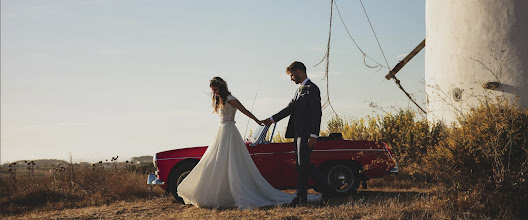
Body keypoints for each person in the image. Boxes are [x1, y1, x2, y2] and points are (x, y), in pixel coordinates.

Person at [177, 77, 318, 209]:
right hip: (221, 132)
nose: (214, 92)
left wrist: (258, 121)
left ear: (221, 87)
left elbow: (244, 110)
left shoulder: (230, 99)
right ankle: (218, 193)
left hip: (230, 132)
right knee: (216, 161)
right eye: (213, 89)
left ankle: (237, 191)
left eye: (216, 89)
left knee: (232, 163)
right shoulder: (218, 100)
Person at [262, 61, 336, 206]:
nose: (291, 79)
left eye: (292, 75)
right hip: (298, 134)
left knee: (304, 164)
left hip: (307, 135)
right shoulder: (299, 90)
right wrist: (271, 120)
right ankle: (302, 198)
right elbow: (289, 108)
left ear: (299, 72)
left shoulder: (312, 89)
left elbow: (317, 113)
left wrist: (314, 135)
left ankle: (327, 190)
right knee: (301, 165)